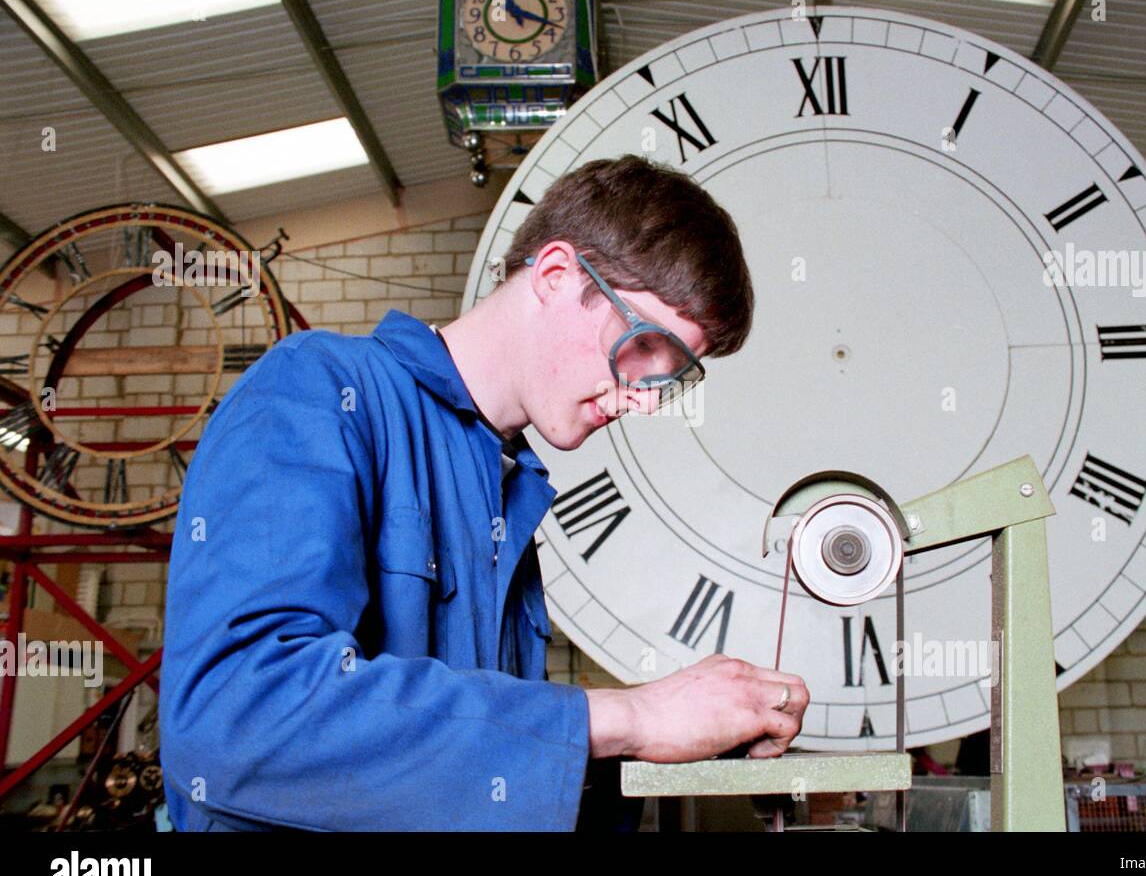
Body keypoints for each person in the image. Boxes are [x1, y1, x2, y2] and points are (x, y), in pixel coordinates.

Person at [159, 154, 810, 831]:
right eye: (643, 345)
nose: (643, 396)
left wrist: (672, 743)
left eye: (670, 375)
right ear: (556, 276)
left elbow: (463, 779)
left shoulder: (506, 487)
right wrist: (629, 718)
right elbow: (235, 717)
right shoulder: (317, 391)